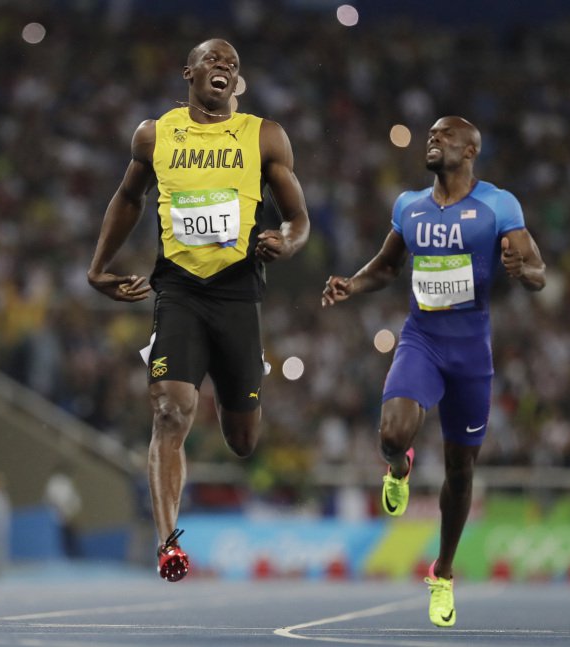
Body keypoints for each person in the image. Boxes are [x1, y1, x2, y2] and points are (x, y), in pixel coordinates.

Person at [88, 39, 310, 582]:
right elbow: (128, 198)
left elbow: (298, 217)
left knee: (242, 440)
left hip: (237, 293)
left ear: (237, 84)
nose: (225, 68)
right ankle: (169, 543)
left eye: (233, 66)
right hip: (179, 291)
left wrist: (287, 240)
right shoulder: (154, 134)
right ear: (188, 71)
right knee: (170, 411)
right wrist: (98, 268)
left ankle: (243, 391)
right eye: (214, 60)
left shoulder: (264, 135)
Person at [321, 116, 545, 627]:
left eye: (444, 136)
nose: (432, 139)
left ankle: (442, 573)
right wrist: (351, 285)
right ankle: (398, 467)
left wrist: (523, 271)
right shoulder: (409, 206)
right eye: (431, 134)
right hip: (421, 340)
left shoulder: (498, 204)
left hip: (471, 354)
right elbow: (386, 266)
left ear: (469, 151)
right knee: (391, 434)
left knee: (460, 471)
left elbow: (538, 272)